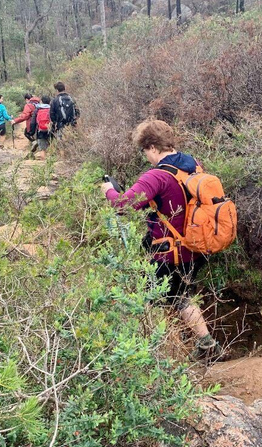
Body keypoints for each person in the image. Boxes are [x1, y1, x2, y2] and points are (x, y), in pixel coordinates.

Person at [100, 120, 222, 360]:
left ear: (153, 147)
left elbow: (122, 204)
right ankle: (201, 343)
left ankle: (170, 351)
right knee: (180, 296)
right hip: (195, 246)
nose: (146, 156)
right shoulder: (194, 164)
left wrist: (108, 190)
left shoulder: (157, 176)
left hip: (168, 252)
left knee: (154, 299)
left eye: (145, 151)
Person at [33, 95, 52, 160]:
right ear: (49, 102)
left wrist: (31, 132)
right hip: (50, 130)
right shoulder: (51, 109)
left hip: (40, 130)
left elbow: (33, 122)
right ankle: (51, 163)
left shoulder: (37, 109)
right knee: (52, 145)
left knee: (42, 148)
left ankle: (43, 162)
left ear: (41, 101)